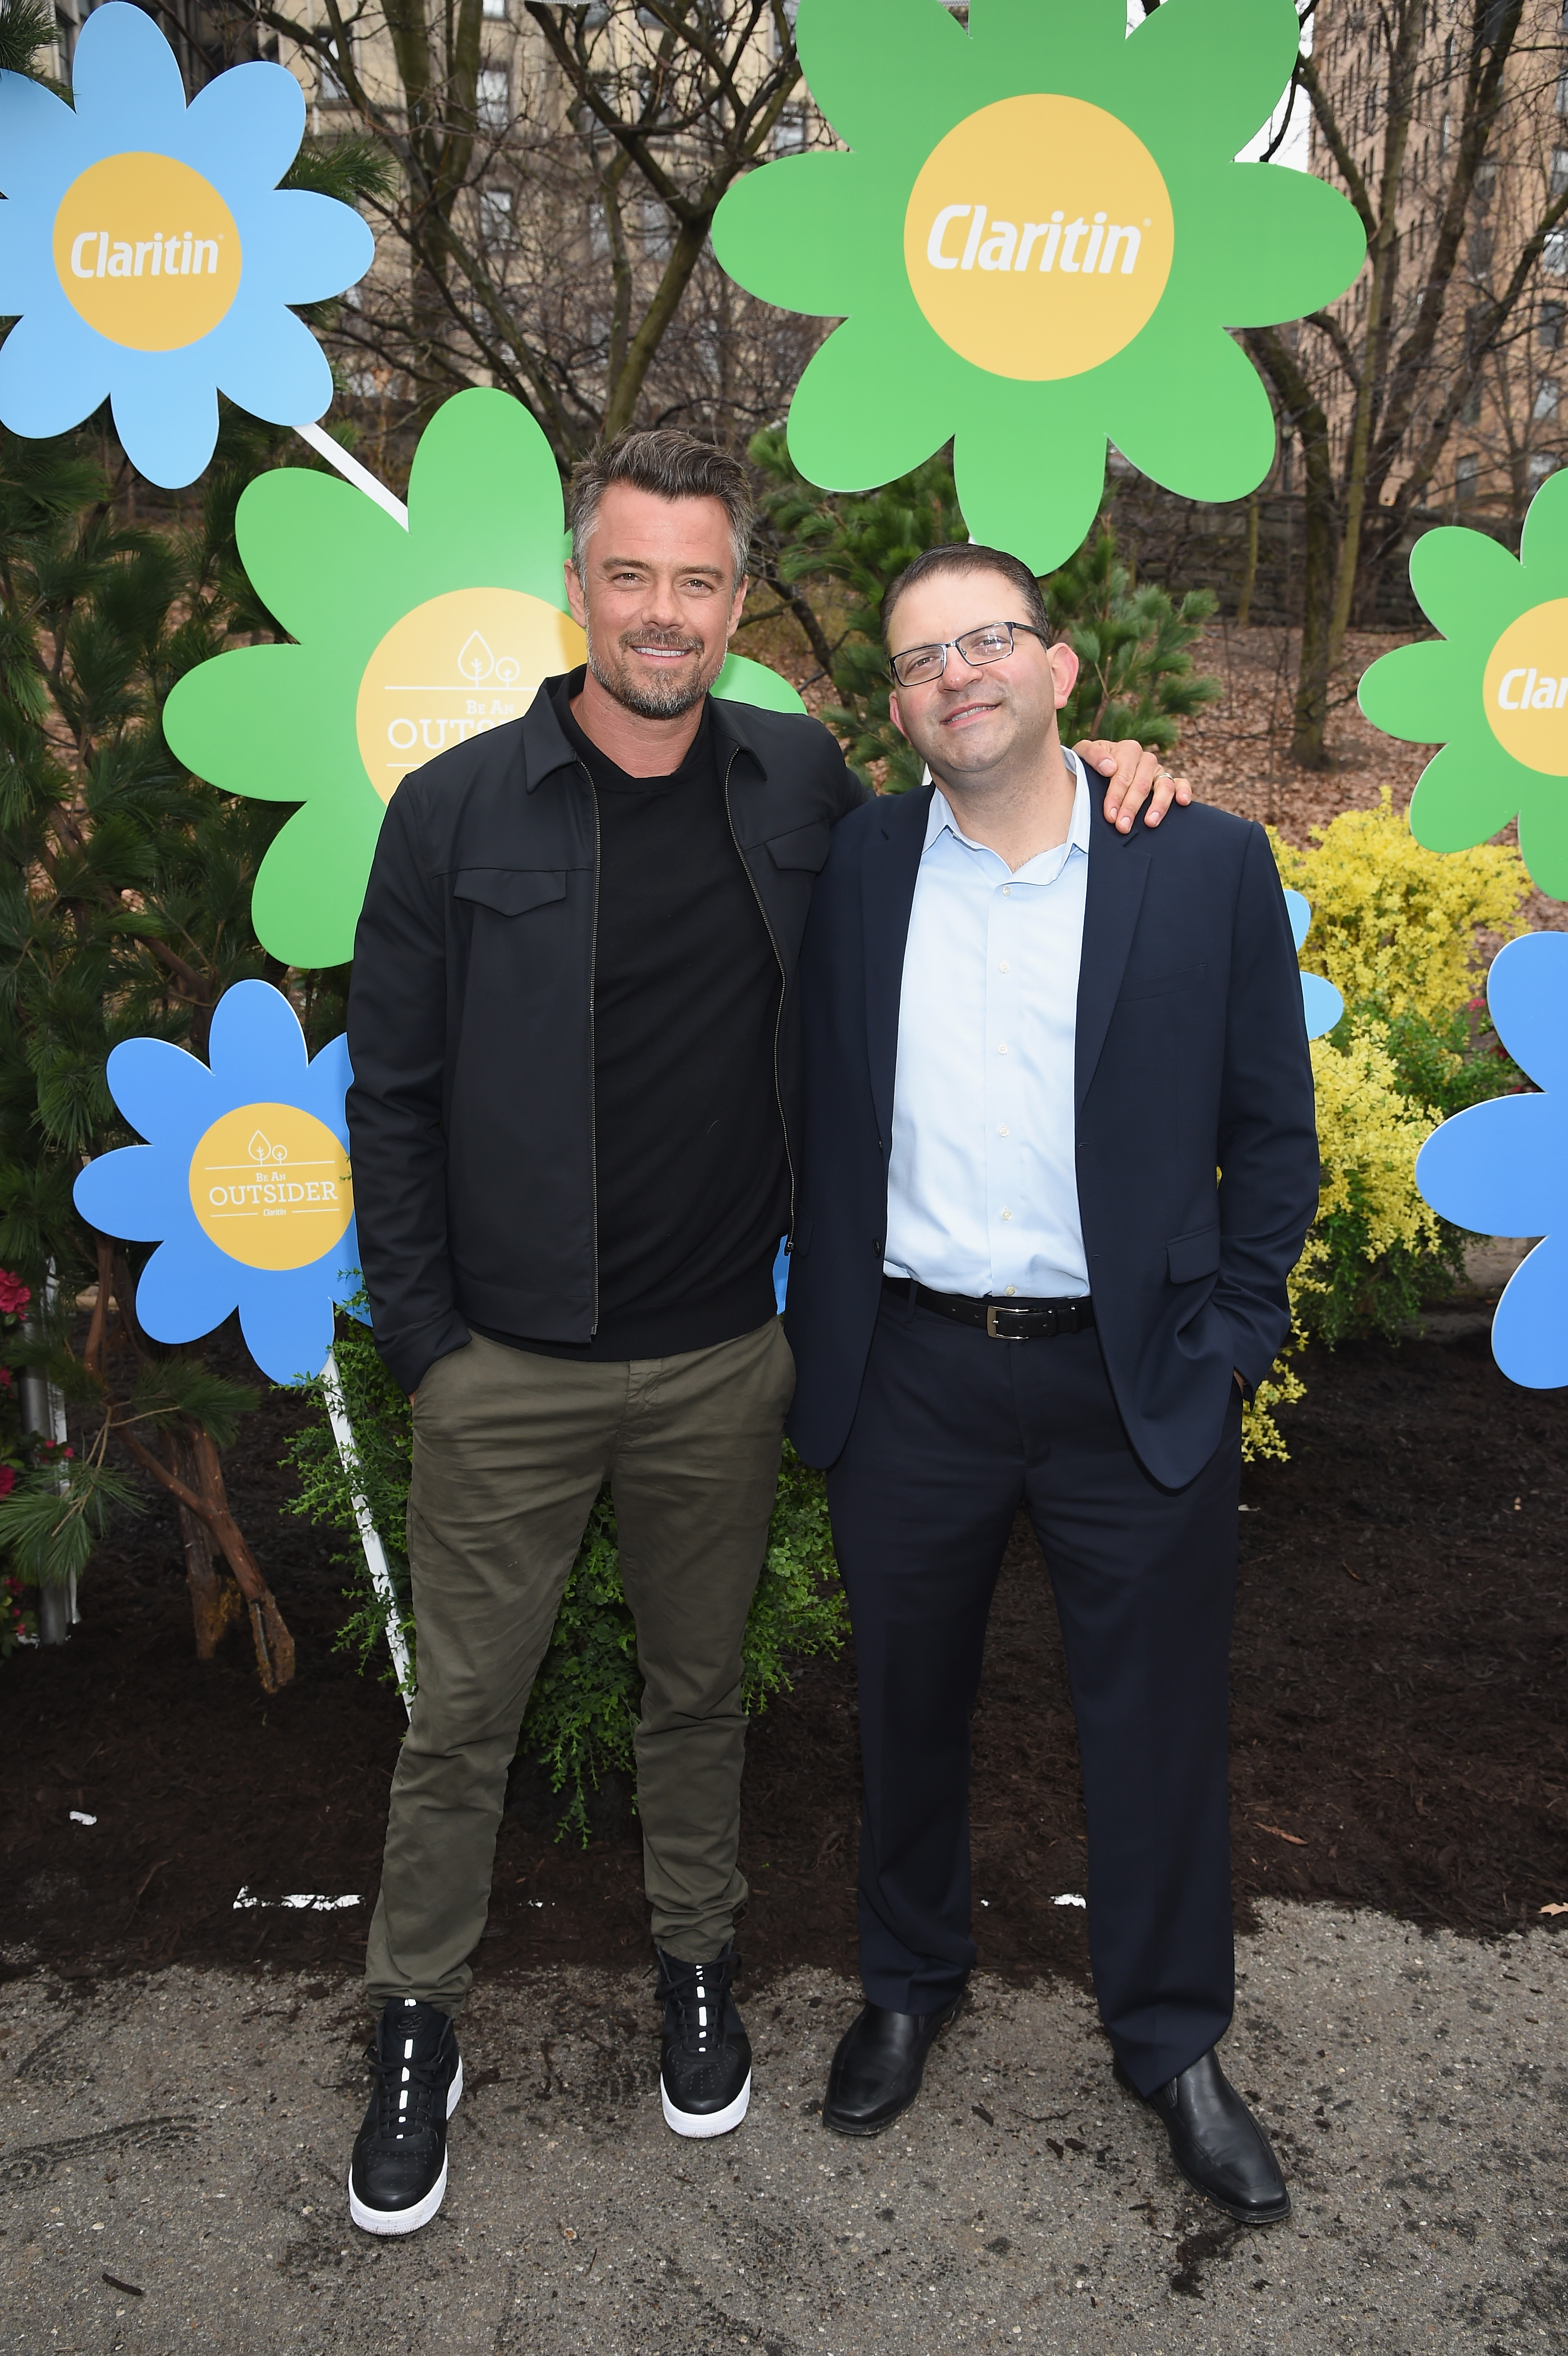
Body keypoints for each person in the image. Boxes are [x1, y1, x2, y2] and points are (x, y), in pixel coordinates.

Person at [341, 431, 1187, 2236]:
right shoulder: (455, 812)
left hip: (731, 1351)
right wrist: (428, 1341)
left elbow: (985, 788)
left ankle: (698, 1971)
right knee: (460, 1721)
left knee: (698, 1692)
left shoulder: (797, 780)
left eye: (699, 580)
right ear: (581, 590)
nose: (662, 611)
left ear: (737, 604)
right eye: (629, 574)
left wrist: (1108, 756)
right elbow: (391, 1097)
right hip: (503, 1363)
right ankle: (417, 2020)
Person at [784, 542, 1319, 2225]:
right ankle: (907, 1980)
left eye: (991, 639)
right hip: (915, 1373)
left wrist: (1231, 1339)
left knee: (1154, 1727)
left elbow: (1271, 1140)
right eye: (924, 656)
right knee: (908, 1704)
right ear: (895, 707)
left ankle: (1172, 2041)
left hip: (1131, 1380)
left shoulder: (1204, 864)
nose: (961, 672)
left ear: (1063, 670)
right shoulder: (856, 863)